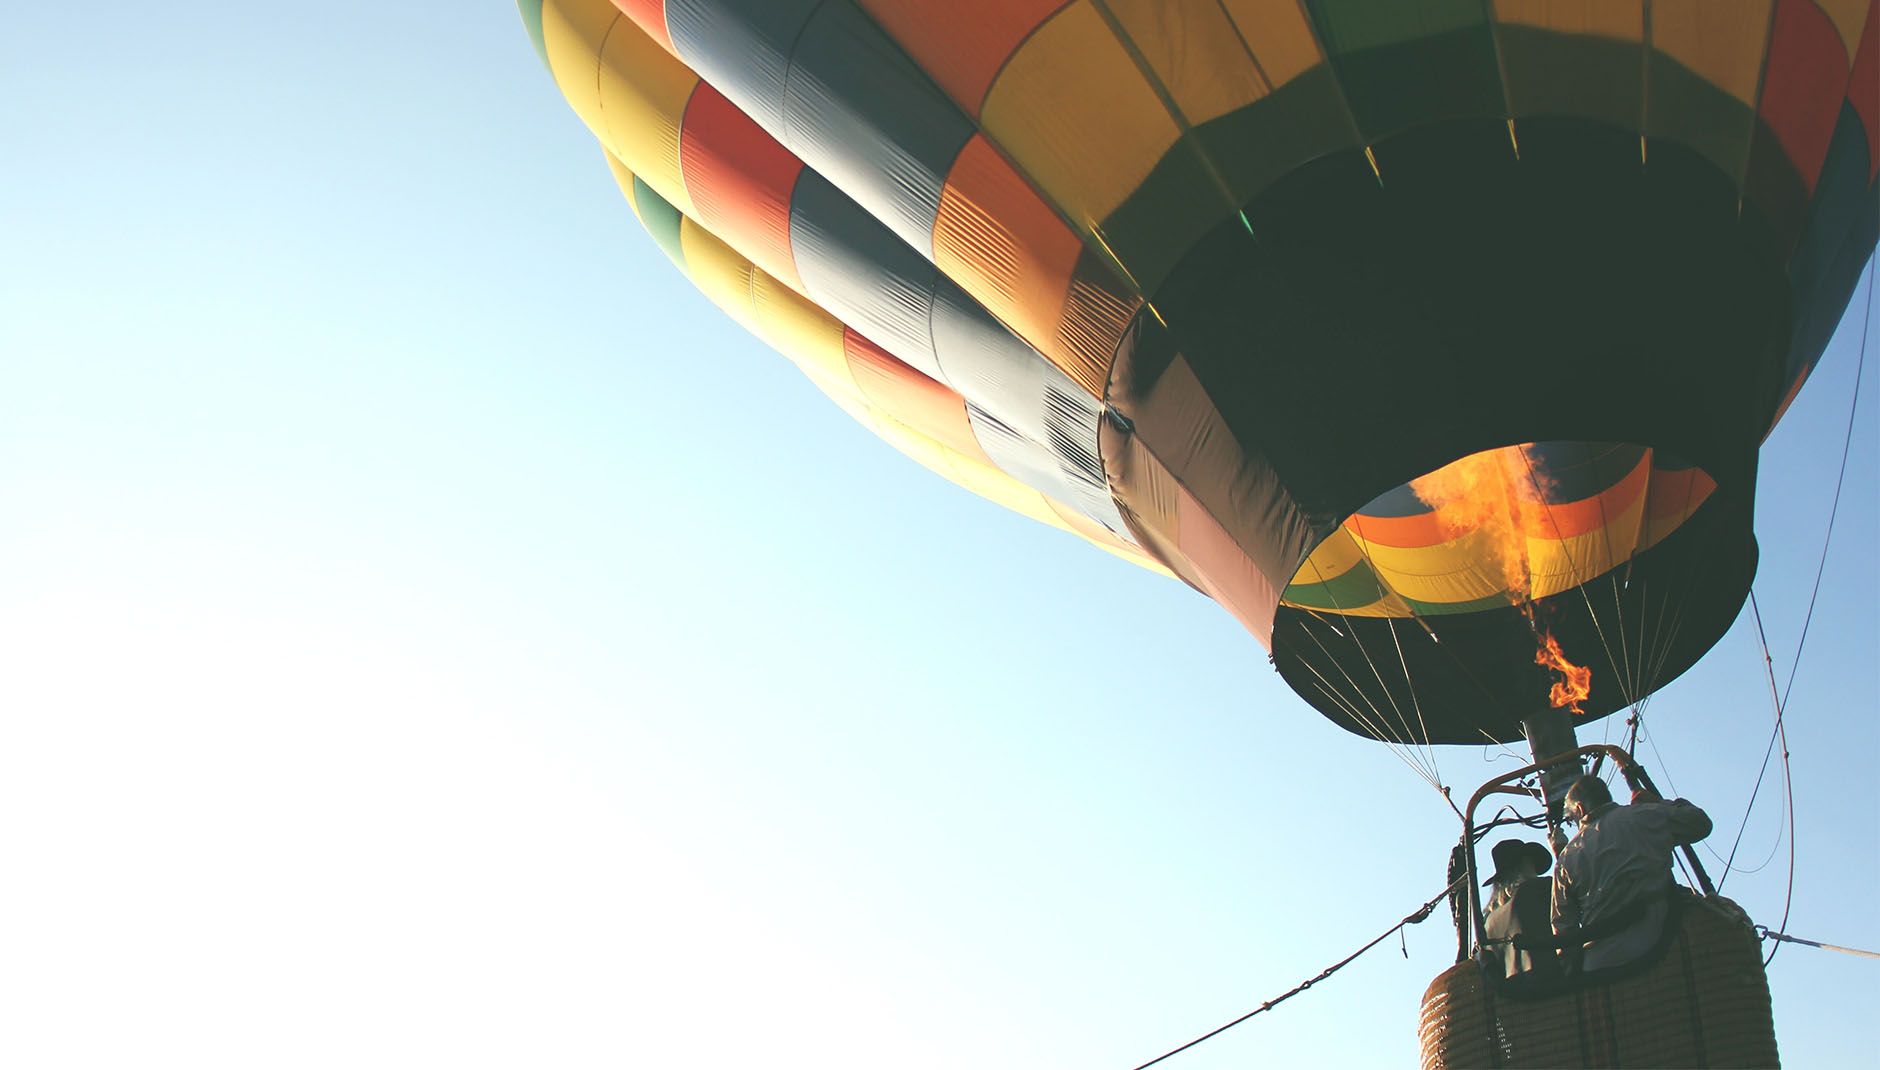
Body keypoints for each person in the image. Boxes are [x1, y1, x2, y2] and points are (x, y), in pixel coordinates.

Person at [1550, 774, 1712, 972]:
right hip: (1663, 943)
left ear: (1580, 809)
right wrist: (1659, 803)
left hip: (1601, 962)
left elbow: (1564, 929)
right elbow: (1701, 824)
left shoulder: (1568, 857)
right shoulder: (1646, 815)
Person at [1481, 839, 1560, 987]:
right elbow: (1573, 891)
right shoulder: (1540, 889)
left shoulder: (1489, 921)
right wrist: (1562, 855)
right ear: (1525, 863)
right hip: (1552, 985)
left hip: (1515, 998)